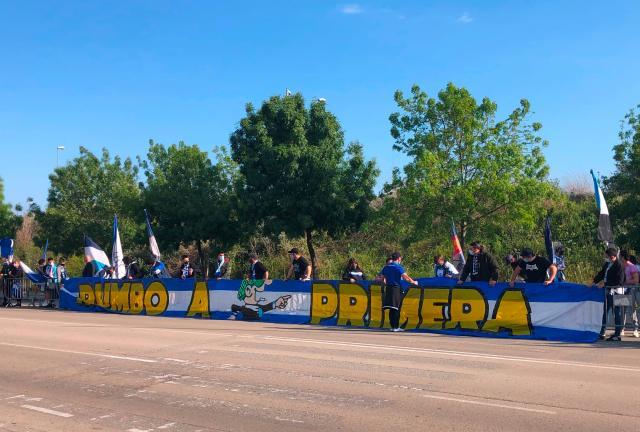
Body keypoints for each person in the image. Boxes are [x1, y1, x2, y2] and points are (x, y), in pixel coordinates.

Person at [377, 252, 418, 332]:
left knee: (391, 308)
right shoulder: (398, 267)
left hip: (388, 288)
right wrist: (414, 282)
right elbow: (406, 278)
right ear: (399, 258)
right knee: (396, 308)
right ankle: (396, 327)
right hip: (396, 289)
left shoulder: (386, 267)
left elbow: (382, 279)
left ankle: (393, 326)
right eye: (400, 258)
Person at [593, 247, 625, 341]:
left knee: (617, 313)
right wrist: (594, 281)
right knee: (605, 312)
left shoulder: (619, 265)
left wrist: (605, 284)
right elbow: (601, 274)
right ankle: (602, 332)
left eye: (607, 256)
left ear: (613, 256)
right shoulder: (607, 264)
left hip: (617, 292)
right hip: (608, 291)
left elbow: (619, 281)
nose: (606, 258)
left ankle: (617, 334)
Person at [620, 250, 639, 338]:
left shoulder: (632, 267)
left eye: (620, 256)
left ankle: (635, 330)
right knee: (622, 310)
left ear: (623, 257)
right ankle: (621, 329)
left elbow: (636, 280)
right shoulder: (621, 266)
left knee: (632, 311)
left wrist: (625, 281)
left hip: (631, 290)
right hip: (622, 290)